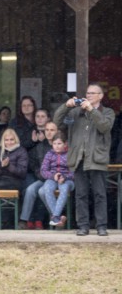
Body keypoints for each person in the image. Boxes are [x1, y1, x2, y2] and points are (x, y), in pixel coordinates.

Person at [53, 83, 115, 236]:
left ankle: (101, 226)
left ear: (101, 96)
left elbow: (104, 127)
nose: (89, 96)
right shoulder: (75, 113)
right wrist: (66, 106)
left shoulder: (107, 112)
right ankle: (83, 226)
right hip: (79, 159)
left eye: (93, 93)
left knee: (99, 194)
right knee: (81, 194)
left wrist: (91, 110)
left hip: (97, 159)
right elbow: (57, 122)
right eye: (87, 93)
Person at [18, 120, 57, 230]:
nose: (49, 132)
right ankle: (24, 219)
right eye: (47, 130)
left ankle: (55, 216)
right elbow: (33, 163)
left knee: (41, 191)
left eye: (52, 130)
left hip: (56, 179)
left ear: (57, 131)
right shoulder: (39, 147)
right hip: (42, 178)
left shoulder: (60, 145)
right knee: (30, 189)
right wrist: (39, 173)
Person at [39, 133, 74, 229]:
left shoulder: (70, 154)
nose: (57, 146)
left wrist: (65, 177)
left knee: (64, 188)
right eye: (54, 144)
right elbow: (43, 170)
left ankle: (55, 216)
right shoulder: (49, 154)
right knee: (47, 188)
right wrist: (53, 175)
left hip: (67, 180)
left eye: (59, 143)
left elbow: (74, 171)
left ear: (65, 144)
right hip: (52, 178)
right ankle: (57, 217)